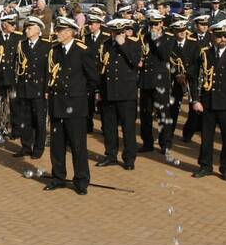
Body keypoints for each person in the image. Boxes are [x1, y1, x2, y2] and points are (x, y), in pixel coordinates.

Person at [43, 18, 98, 195]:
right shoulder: (55, 50)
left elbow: (93, 78)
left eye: (61, 30)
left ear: (70, 32)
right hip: (57, 103)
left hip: (75, 105)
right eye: (57, 30)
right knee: (57, 146)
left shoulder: (83, 50)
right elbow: (50, 75)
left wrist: (80, 94)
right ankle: (58, 178)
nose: (57, 33)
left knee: (77, 146)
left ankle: (81, 181)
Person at [191, 20, 226, 181]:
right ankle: (205, 166)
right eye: (219, 36)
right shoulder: (204, 53)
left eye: (225, 36)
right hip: (208, 103)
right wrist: (195, 100)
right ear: (212, 36)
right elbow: (195, 78)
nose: (222, 39)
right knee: (206, 138)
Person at [96, 18, 142, 169]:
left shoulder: (134, 44)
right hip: (108, 91)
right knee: (109, 127)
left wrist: (123, 45)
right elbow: (101, 69)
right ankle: (111, 155)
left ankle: (129, 158)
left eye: (121, 32)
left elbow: (136, 63)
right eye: (115, 32)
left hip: (126, 93)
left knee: (128, 128)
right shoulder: (105, 45)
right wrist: (99, 90)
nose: (117, 35)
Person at [13, 16, 49, 160]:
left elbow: (48, 70)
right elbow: (17, 66)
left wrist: (47, 89)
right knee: (25, 120)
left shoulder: (46, 45)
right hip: (24, 88)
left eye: (29, 28)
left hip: (39, 89)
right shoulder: (22, 45)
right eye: (26, 28)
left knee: (39, 120)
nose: (26, 30)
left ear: (38, 30)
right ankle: (26, 146)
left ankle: (38, 148)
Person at [138, 11, 174, 155]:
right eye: (151, 24)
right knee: (145, 113)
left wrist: (156, 37)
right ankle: (147, 142)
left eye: (156, 24)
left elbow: (164, 55)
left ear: (162, 24)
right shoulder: (144, 37)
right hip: (146, 80)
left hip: (160, 81)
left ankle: (165, 143)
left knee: (162, 113)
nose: (153, 26)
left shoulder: (168, 38)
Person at [0, 13, 22, 143]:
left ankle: (16, 130)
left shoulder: (19, 37)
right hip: (0, 76)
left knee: (15, 104)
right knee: (1, 103)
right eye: (11, 24)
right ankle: (1, 128)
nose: (14, 26)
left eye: (14, 24)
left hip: (13, 76)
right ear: (4, 24)